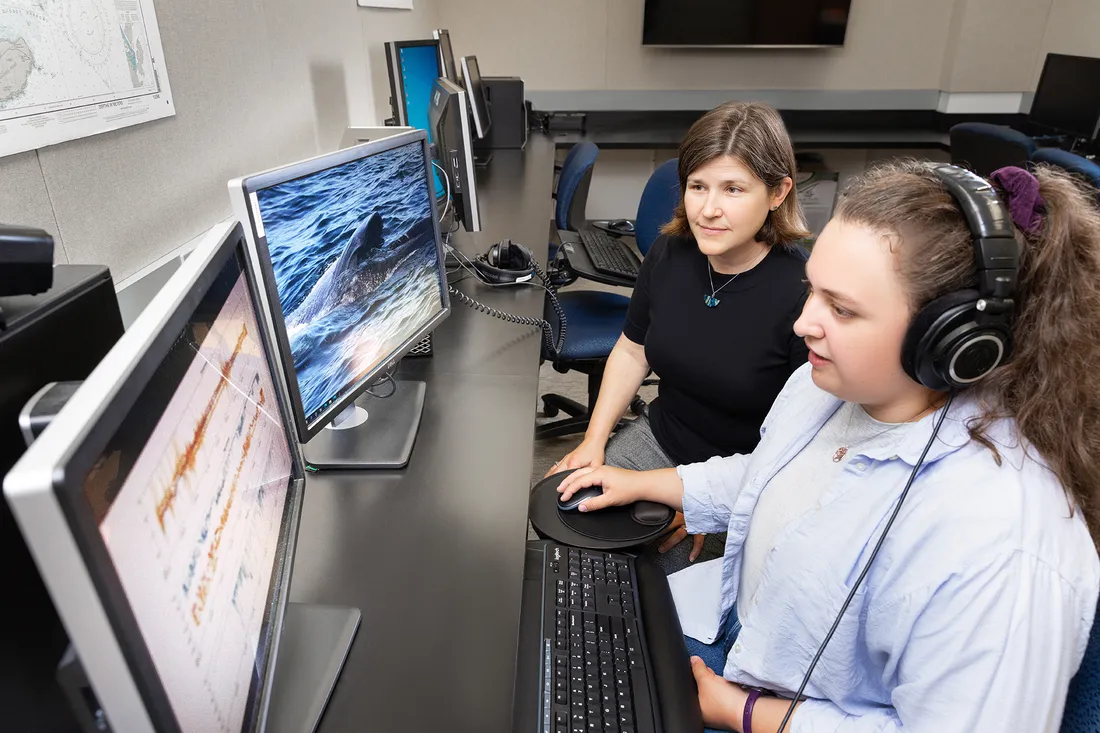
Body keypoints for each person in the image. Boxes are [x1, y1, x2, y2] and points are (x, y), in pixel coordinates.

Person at [556, 160, 1100, 731]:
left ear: (952, 340)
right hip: (752, 647)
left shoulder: (999, 546)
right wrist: (650, 484)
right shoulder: (831, 385)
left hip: (790, 709)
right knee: (573, 635)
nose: (803, 323)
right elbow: (780, 472)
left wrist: (744, 713)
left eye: (841, 309)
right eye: (811, 290)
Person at [548, 101, 811, 566]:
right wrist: (594, 439)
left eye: (733, 189)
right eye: (697, 187)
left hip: (744, 475)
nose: (708, 210)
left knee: (656, 586)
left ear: (777, 192)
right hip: (661, 437)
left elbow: (799, 450)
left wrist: (706, 505)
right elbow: (632, 352)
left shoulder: (803, 294)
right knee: (563, 519)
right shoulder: (670, 252)